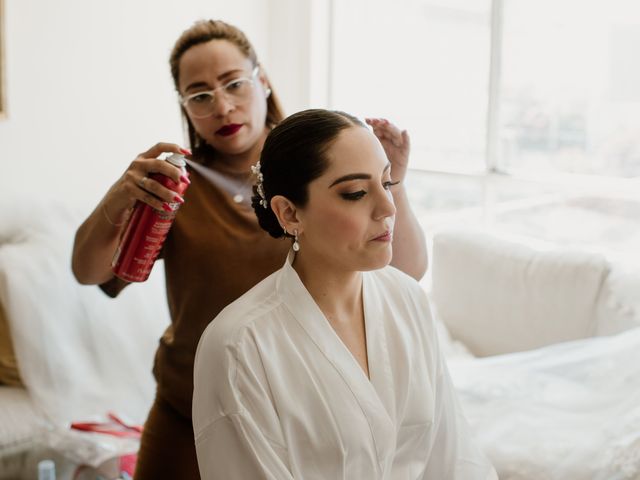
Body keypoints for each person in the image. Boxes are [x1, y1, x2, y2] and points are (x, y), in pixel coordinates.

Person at [71, 20, 427, 480]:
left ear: (262, 80)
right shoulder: (175, 188)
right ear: (185, 105)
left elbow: (407, 272)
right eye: (200, 95)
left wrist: (392, 182)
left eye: (234, 84)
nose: (222, 106)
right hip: (187, 402)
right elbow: (88, 272)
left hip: (299, 409)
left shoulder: (313, 170)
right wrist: (120, 195)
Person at [192, 109, 497, 479]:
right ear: (289, 213)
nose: (387, 209)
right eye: (355, 193)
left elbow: (454, 457)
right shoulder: (239, 346)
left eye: (387, 183)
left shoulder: (407, 300)